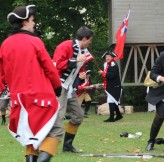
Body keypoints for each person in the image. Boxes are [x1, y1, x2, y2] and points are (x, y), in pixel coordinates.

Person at [0, 5, 62, 162]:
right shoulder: (34, 41)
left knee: (31, 135)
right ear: (25, 22)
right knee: (56, 130)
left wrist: (3, 92)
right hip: (41, 95)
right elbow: (49, 68)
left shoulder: (5, 44)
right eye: (33, 20)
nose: (34, 23)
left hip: (18, 100)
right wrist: (57, 87)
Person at [53, 26, 94, 153]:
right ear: (84, 38)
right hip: (59, 85)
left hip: (69, 86)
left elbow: (78, 66)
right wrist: (76, 60)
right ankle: (47, 147)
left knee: (78, 116)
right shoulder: (65, 45)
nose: (90, 43)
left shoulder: (83, 50)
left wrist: (81, 72)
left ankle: (67, 146)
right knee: (58, 117)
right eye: (90, 40)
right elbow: (57, 64)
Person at [98, 51, 123, 122]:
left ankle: (112, 118)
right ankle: (118, 115)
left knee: (111, 100)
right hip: (110, 86)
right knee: (112, 100)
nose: (107, 58)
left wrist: (103, 73)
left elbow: (112, 75)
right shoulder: (107, 65)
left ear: (112, 57)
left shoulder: (114, 65)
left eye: (109, 56)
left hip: (114, 86)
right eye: (106, 57)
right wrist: (103, 73)